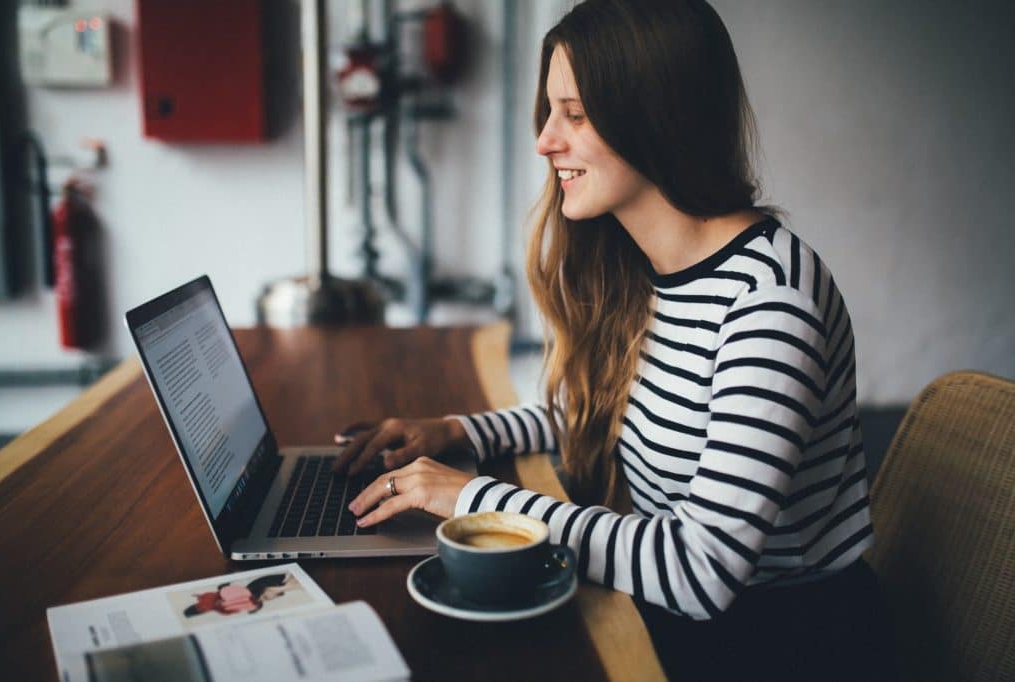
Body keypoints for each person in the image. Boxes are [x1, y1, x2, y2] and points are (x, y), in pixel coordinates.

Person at [337, 1, 894, 679]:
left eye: (574, 114)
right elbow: (607, 411)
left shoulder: (769, 302)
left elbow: (699, 570)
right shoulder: (651, 268)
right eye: (548, 112)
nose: (545, 141)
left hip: (782, 644)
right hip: (687, 616)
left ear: (657, 117)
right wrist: (455, 433)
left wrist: (468, 498)